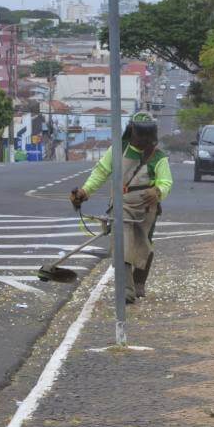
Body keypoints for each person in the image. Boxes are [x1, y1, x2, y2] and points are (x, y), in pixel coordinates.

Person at [70, 112, 172, 303]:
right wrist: (85, 191)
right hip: (121, 203)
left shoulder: (158, 156)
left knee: (144, 245)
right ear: (131, 131)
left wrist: (158, 191)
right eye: (141, 134)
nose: (144, 139)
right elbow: (101, 172)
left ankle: (139, 282)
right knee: (122, 243)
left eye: (148, 135)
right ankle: (126, 290)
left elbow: (166, 181)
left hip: (146, 208)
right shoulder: (117, 150)